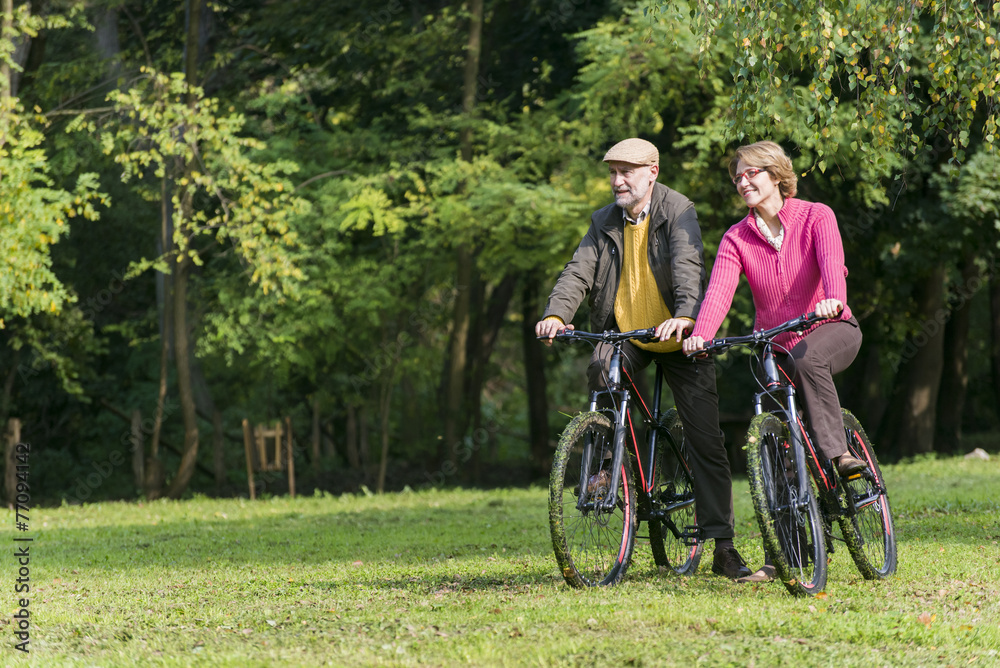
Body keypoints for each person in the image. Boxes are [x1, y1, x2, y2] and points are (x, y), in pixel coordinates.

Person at [536, 137, 752, 580]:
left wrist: (687, 316)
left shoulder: (679, 210)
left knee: (705, 440)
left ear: (652, 170)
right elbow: (578, 271)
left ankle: (723, 547)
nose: (617, 181)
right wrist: (557, 313)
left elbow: (689, 264)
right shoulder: (604, 221)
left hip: (679, 335)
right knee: (601, 367)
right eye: (612, 172)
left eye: (626, 172)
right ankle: (607, 469)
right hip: (630, 332)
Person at [682, 140, 865, 583]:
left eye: (751, 173)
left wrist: (832, 299)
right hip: (776, 345)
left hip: (831, 328)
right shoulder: (736, 237)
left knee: (806, 361)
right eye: (737, 177)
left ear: (777, 175)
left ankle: (838, 453)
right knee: (774, 441)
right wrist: (702, 334)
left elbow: (832, 262)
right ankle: (781, 556)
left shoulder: (815, 215)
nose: (742, 182)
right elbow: (720, 291)